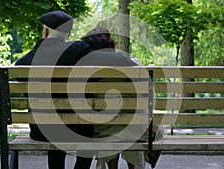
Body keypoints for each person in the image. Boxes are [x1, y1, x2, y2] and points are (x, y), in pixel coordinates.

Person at [15, 11, 94, 169]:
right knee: (85, 131)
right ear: (68, 34)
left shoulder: (24, 63)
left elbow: (19, 75)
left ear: (45, 32)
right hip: (78, 128)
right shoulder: (79, 49)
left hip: (41, 131)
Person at [79, 26, 150, 169]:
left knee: (110, 128)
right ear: (111, 44)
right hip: (134, 128)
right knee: (130, 125)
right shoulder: (132, 64)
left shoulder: (85, 69)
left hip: (103, 128)